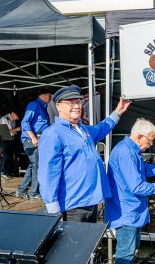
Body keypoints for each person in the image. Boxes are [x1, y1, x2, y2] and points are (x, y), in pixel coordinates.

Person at [38, 84, 131, 222]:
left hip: (91, 201)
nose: (76, 106)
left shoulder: (82, 129)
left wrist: (117, 112)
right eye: (70, 102)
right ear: (58, 106)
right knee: (74, 243)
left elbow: (101, 129)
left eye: (78, 102)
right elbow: (48, 173)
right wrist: (52, 207)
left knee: (88, 243)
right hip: (73, 206)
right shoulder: (53, 134)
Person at [104, 118, 155, 264]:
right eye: (149, 141)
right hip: (126, 213)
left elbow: (142, 169)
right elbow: (137, 186)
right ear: (139, 136)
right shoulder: (126, 152)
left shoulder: (131, 149)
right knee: (125, 254)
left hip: (132, 211)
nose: (150, 145)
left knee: (131, 251)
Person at [15, 89, 52, 199]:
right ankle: (33, 193)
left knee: (33, 166)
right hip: (32, 141)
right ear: (43, 95)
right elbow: (25, 122)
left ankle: (21, 190)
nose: (51, 98)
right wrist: (33, 137)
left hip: (39, 141)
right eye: (49, 95)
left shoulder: (43, 107)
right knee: (37, 167)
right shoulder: (34, 105)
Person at [0, 111, 21, 177]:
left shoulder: (12, 119)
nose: (17, 119)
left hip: (11, 139)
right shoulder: (4, 119)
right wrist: (16, 129)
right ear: (13, 113)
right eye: (16, 117)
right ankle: (3, 171)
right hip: (5, 139)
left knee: (10, 156)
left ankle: (8, 171)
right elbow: (5, 131)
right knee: (6, 155)